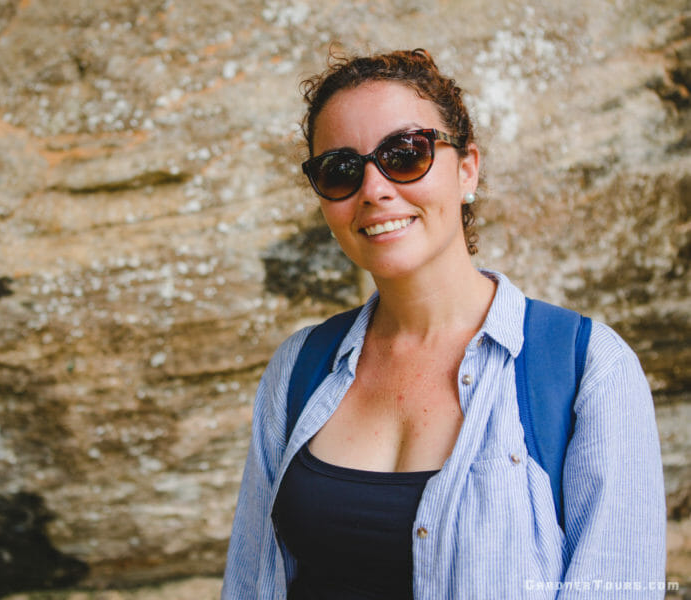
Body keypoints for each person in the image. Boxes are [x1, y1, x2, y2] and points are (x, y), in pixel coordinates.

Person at [221, 49, 665, 599]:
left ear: (468, 168)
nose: (374, 189)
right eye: (340, 169)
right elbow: (250, 583)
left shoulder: (588, 369)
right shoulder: (298, 369)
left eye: (405, 154)